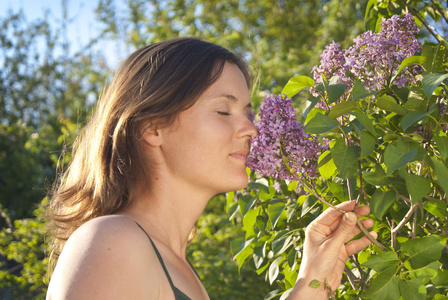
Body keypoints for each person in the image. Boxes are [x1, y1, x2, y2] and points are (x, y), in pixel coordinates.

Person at [45, 37, 375, 300]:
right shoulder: (115, 241)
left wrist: (310, 285)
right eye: (223, 111)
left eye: (247, 112)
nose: (252, 129)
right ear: (153, 128)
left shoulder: (178, 269)